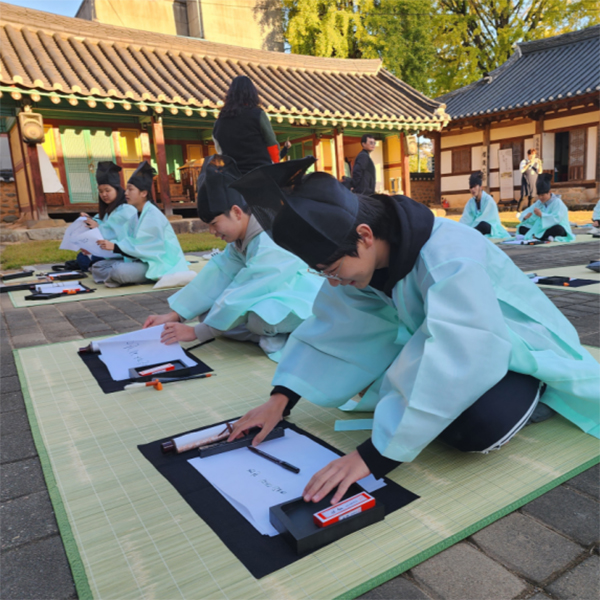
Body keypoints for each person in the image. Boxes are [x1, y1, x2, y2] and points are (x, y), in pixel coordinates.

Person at [226, 157, 598, 506]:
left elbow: (464, 347)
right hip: (461, 348)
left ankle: (538, 390)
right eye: (323, 273)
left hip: (516, 349)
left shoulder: (449, 255)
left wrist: (373, 457)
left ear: (366, 234)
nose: (333, 282)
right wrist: (281, 399)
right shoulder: (364, 259)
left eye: (333, 268)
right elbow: (336, 327)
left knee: (476, 428)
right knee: (420, 412)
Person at [143, 155, 323, 359]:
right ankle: (272, 336)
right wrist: (177, 316)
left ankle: (293, 334)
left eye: (214, 223)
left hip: (307, 295)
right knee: (209, 315)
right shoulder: (242, 238)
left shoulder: (270, 235)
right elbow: (218, 274)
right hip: (274, 293)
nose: (212, 231)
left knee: (259, 319)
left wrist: (197, 332)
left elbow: (253, 284)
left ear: (237, 212)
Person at [91, 161, 188, 287]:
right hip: (139, 259)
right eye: (126, 189)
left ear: (143, 193)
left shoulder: (153, 215)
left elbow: (147, 247)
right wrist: (107, 246)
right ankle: (129, 275)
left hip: (157, 263)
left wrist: (115, 247)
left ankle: (145, 276)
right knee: (98, 266)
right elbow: (125, 238)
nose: (126, 193)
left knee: (119, 271)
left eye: (130, 189)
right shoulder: (136, 215)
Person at [212, 76, 280, 174]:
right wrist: (276, 164)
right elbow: (271, 143)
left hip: (233, 176)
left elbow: (220, 150)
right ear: (252, 93)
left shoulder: (220, 121)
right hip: (261, 173)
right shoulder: (258, 114)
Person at [76, 162, 138, 271]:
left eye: (107, 190)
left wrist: (97, 228)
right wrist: (88, 220)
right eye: (101, 191)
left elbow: (118, 235)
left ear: (117, 190)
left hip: (121, 252)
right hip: (105, 251)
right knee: (82, 257)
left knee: (87, 260)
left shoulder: (127, 210)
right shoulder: (107, 211)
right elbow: (101, 223)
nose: (104, 194)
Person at [518, 173, 575, 242]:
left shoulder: (557, 202)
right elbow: (528, 211)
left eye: (542, 195)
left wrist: (542, 215)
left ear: (549, 192)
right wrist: (525, 217)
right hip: (541, 228)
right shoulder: (539, 203)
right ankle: (542, 236)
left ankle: (536, 236)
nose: (540, 197)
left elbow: (557, 218)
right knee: (521, 227)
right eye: (539, 195)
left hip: (554, 226)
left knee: (559, 229)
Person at [460, 172, 511, 239]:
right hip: (475, 227)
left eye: (474, 186)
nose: (472, 189)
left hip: (489, 226)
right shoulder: (470, 202)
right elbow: (466, 218)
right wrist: (460, 227)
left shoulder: (488, 200)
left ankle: (471, 233)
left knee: (483, 225)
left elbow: (487, 218)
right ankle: (471, 233)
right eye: (471, 187)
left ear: (481, 187)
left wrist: (472, 228)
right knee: (461, 228)